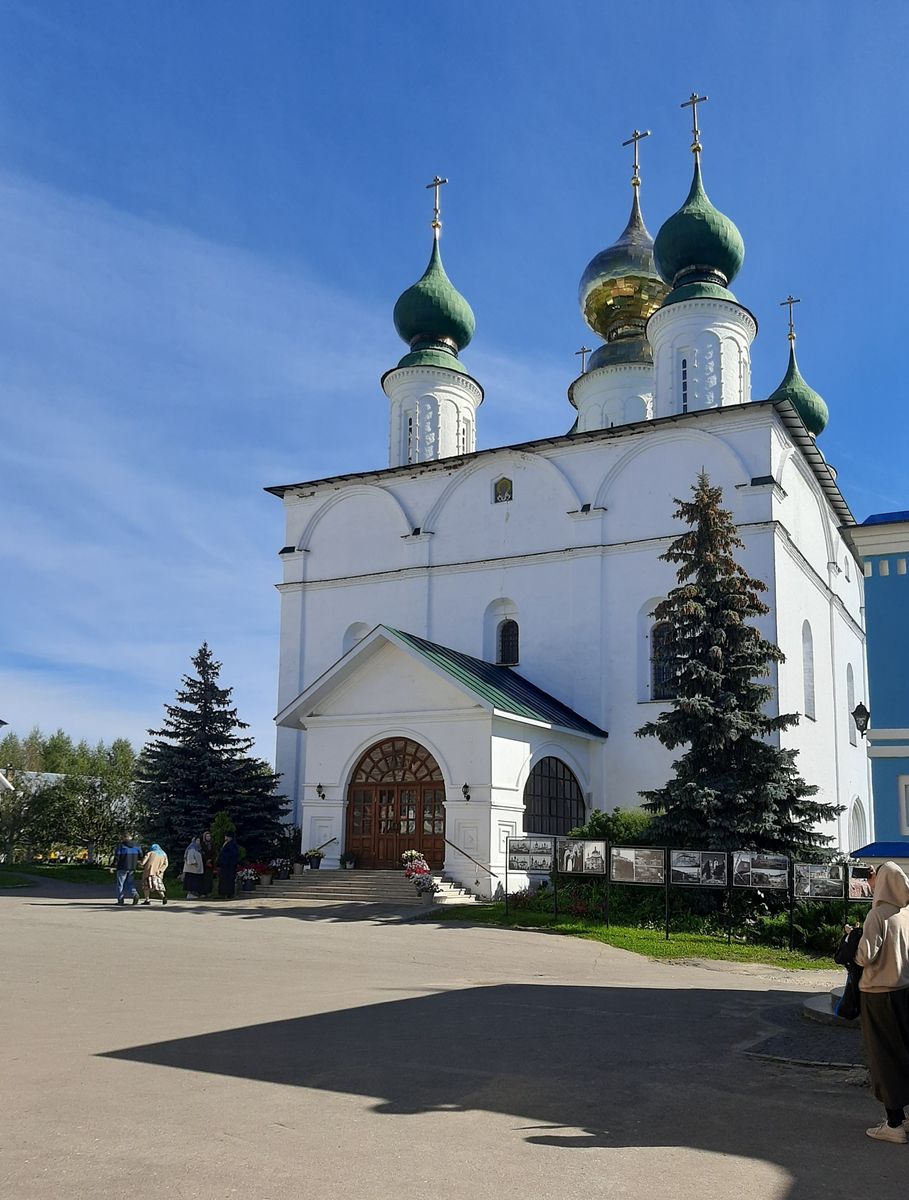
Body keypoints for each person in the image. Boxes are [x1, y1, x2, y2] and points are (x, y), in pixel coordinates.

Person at [854, 861, 909, 1143]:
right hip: (903, 990)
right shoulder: (905, 913)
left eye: (874, 874)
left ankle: (894, 1123)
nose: (871, 879)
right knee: (903, 1051)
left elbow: (865, 956)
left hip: (877, 994)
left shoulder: (877, 915)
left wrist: (852, 941)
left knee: (883, 1056)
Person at [113, 835, 142, 905]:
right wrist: (139, 861)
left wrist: (113, 866)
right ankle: (135, 894)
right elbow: (141, 855)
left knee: (120, 884)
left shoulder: (121, 846)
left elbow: (117, 856)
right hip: (132, 867)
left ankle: (120, 899)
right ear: (131, 838)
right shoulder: (137, 846)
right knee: (130, 883)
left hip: (122, 867)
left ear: (124, 838)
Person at [217, 833, 240, 899]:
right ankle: (224, 893)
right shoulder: (227, 843)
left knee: (228, 880)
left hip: (228, 866)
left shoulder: (232, 844)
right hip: (225, 865)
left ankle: (228, 893)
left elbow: (231, 855)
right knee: (224, 880)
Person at [200, 830, 215, 897]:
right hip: (204, 864)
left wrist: (211, 859)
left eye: (209, 836)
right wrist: (206, 860)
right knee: (204, 878)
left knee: (210, 878)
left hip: (211, 863)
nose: (208, 837)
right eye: (207, 836)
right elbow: (202, 853)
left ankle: (209, 891)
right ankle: (204, 892)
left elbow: (214, 853)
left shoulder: (212, 844)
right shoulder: (202, 844)